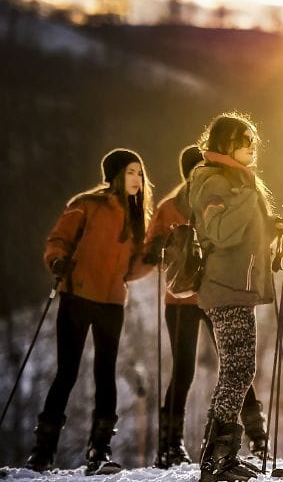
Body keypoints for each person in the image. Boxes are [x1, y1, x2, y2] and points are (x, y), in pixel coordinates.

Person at [26, 148, 153, 475]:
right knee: (67, 372)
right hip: (78, 295)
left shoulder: (138, 217)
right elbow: (58, 240)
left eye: (139, 173)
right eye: (130, 172)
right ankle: (43, 453)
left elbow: (132, 268)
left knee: (105, 372)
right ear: (114, 175)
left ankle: (99, 452)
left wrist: (155, 257)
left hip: (112, 301)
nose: (137, 179)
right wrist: (57, 261)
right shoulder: (87, 205)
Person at [145, 146, 269, 468]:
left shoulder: (214, 197)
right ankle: (173, 444)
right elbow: (150, 247)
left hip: (208, 294)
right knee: (189, 368)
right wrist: (159, 248)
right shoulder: (172, 206)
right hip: (183, 299)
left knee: (233, 364)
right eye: (196, 168)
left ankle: (253, 437)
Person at [189, 113, 283, 482]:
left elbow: (243, 230)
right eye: (243, 139)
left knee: (236, 369)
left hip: (236, 285)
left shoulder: (236, 181)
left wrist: (271, 226)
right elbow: (219, 230)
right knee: (239, 370)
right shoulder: (212, 179)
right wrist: (250, 199)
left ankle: (218, 454)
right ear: (225, 144)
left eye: (252, 139)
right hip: (226, 286)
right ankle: (219, 458)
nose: (251, 146)